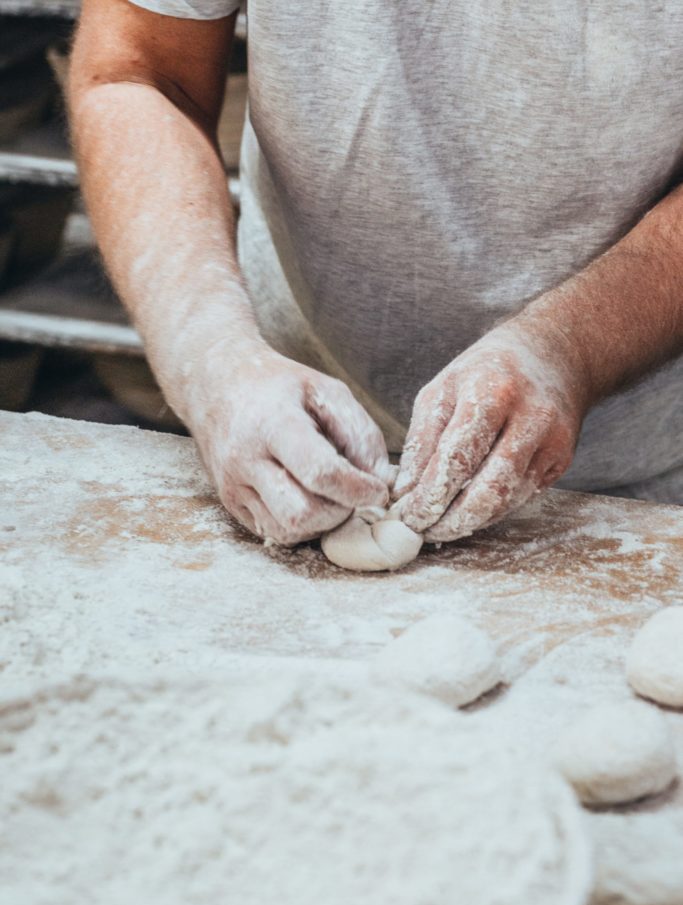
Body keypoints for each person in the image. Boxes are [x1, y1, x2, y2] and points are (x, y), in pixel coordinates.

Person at [69, 1, 683, 546]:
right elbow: (140, 71)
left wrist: (569, 349)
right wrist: (211, 355)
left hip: (634, 478)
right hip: (285, 428)